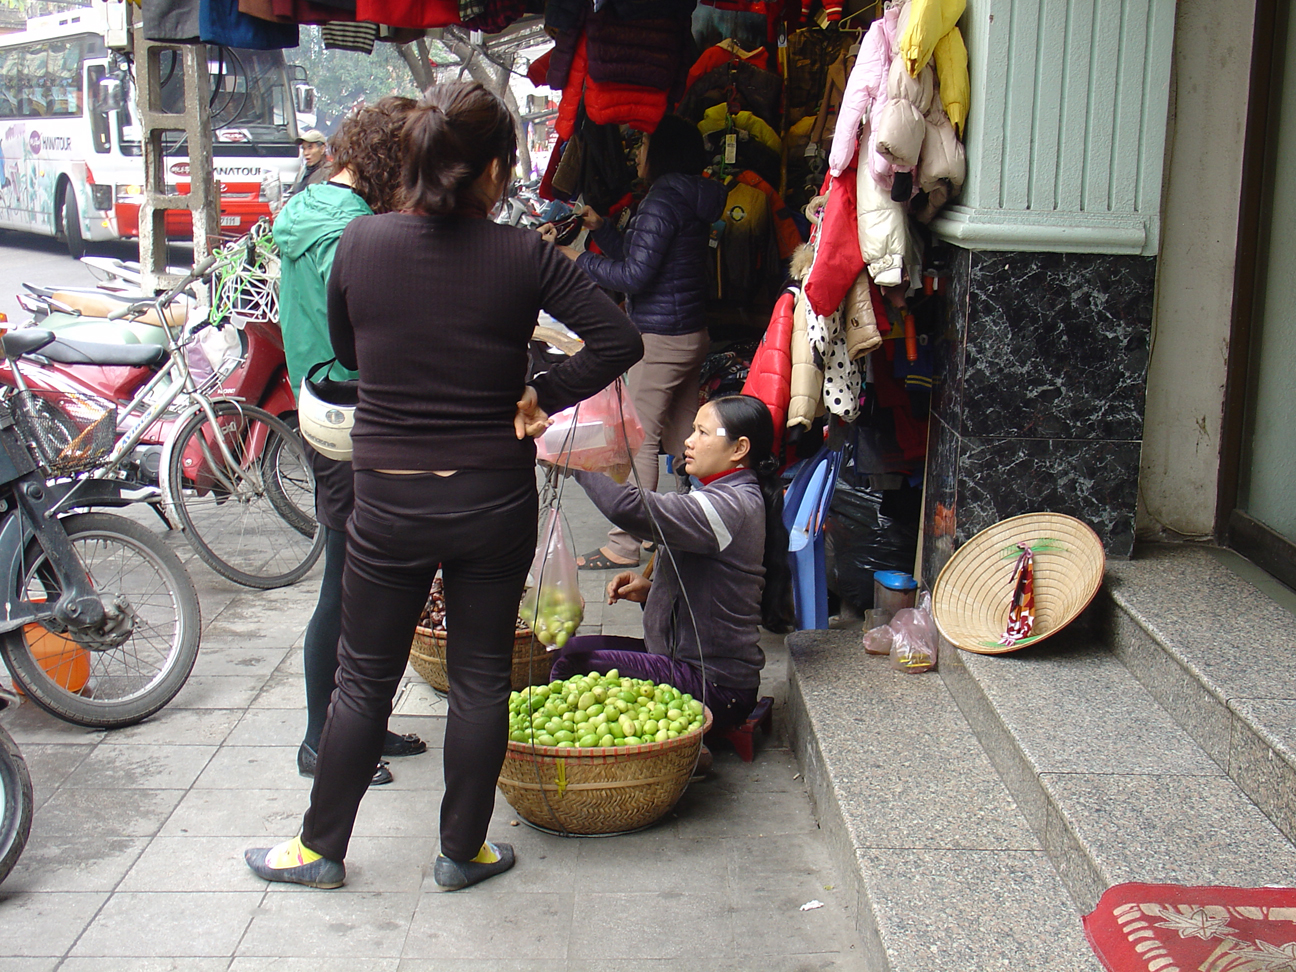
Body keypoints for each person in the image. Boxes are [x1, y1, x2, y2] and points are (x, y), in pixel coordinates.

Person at [244, 81, 642, 891]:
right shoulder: (523, 255)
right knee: (482, 680)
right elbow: (618, 338)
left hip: (387, 497)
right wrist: (542, 393)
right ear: (496, 170)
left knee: (364, 676)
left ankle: (319, 849)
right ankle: (463, 853)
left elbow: (352, 353)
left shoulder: (362, 245)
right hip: (492, 500)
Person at [273, 96, 420, 790]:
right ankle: (319, 739)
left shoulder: (308, 210)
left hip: (320, 405)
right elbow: (364, 333)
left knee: (368, 582)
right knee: (347, 584)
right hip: (353, 414)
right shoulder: (354, 231)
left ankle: (359, 721)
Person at [544, 115, 728, 570]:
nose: (638, 153)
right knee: (688, 434)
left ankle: (627, 541)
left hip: (662, 337)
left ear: (663, 152)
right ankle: (706, 521)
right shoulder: (692, 196)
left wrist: (578, 258)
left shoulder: (661, 199)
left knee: (637, 438)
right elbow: (639, 256)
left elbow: (633, 276)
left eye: (645, 145)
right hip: (690, 334)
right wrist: (602, 228)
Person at [549, 394, 792, 737]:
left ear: (739, 449)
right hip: (691, 666)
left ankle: (661, 759)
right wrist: (653, 592)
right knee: (572, 650)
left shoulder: (731, 505)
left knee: (571, 668)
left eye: (703, 433)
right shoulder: (725, 495)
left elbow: (629, 508)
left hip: (715, 687)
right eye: (692, 430)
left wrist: (578, 459)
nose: (688, 442)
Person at [287, 129, 330, 198]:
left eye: (310, 148)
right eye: (304, 149)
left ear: (322, 149)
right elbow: (293, 193)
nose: (305, 153)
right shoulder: (303, 170)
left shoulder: (329, 172)